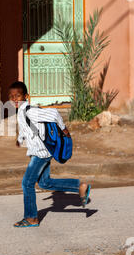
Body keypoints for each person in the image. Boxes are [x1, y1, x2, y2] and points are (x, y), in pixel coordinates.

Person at [8, 81, 91, 228]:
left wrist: (64, 129)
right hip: (40, 152)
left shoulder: (29, 110)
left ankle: (31, 217)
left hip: (40, 153)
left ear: (26, 96)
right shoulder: (21, 111)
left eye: (18, 96)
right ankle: (79, 186)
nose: (15, 99)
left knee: (27, 183)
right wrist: (20, 139)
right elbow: (25, 127)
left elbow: (54, 113)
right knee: (44, 183)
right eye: (12, 96)